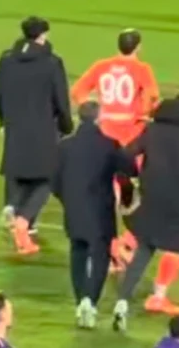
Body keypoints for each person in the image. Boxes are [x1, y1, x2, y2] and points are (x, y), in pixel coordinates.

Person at [112, 94, 179, 333]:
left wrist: (134, 178)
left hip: (153, 201)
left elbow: (126, 154)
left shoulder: (152, 131)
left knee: (144, 253)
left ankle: (122, 303)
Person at [70, 29, 159, 269]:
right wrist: (142, 112)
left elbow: (77, 91)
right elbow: (152, 96)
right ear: (138, 47)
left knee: (108, 196)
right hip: (131, 139)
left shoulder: (102, 66)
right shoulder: (142, 69)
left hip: (105, 138)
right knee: (147, 189)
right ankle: (128, 241)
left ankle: (111, 247)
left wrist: (94, 112)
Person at [0, 16, 74, 256]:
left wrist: (3, 120)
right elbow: (61, 99)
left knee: (18, 172)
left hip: (15, 126)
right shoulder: (51, 63)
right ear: (42, 35)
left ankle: (15, 210)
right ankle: (24, 220)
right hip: (44, 128)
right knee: (48, 176)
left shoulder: (7, 60)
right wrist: (66, 127)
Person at [57, 101, 135, 329]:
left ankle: (80, 300)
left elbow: (53, 179)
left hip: (73, 208)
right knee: (99, 255)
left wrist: (66, 198)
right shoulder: (108, 144)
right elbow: (130, 168)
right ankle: (90, 301)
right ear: (100, 118)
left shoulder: (64, 146)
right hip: (100, 209)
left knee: (77, 252)